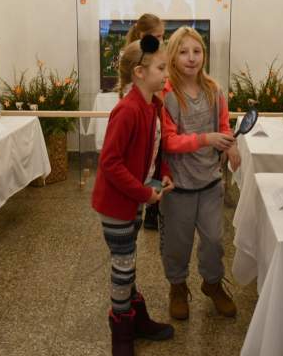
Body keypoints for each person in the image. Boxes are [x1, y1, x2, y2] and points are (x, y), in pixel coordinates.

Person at [91, 35, 175, 356]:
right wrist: (143, 192)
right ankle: (121, 330)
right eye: (161, 68)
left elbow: (155, 147)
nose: (166, 74)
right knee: (123, 265)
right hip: (117, 203)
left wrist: (161, 173)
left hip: (134, 198)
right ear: (140, 72)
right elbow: (110, 162)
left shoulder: (153, 105)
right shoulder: (127, 110)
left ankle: (135, 318)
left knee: (128, 259)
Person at [159, 26, 241, 320]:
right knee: (177, 244)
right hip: (178, 187)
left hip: (210, 182)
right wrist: (206, 139)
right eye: (183, 52)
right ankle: (178, 287)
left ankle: (212, 283)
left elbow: (224, 125)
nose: (191, 58)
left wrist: (231, 145)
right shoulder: (167, 94)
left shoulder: (213, 90)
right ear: (172, 56)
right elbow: (168, 141)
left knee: (214, 241)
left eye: (196, 51)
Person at [118, 13, 166, 230]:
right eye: (156, 37)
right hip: (123, 201)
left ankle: (150, 209)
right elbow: (112, 162)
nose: (161, 41)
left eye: (162, 36)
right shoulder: (130, 107)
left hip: (138, 190)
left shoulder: (148, 104)